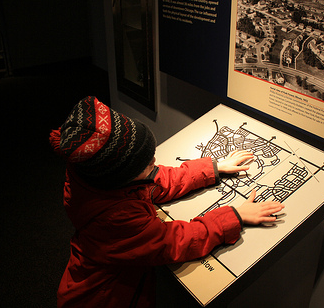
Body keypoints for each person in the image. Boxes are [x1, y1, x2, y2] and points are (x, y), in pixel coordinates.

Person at [50, 96, 285, 308]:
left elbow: (157, 179)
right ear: (121, 176)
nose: (154, 159)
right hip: (105, 299)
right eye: (145, 162)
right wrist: (235, 216)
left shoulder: (93, 179)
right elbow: (173, 242)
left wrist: (213, 168)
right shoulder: (115, 218)